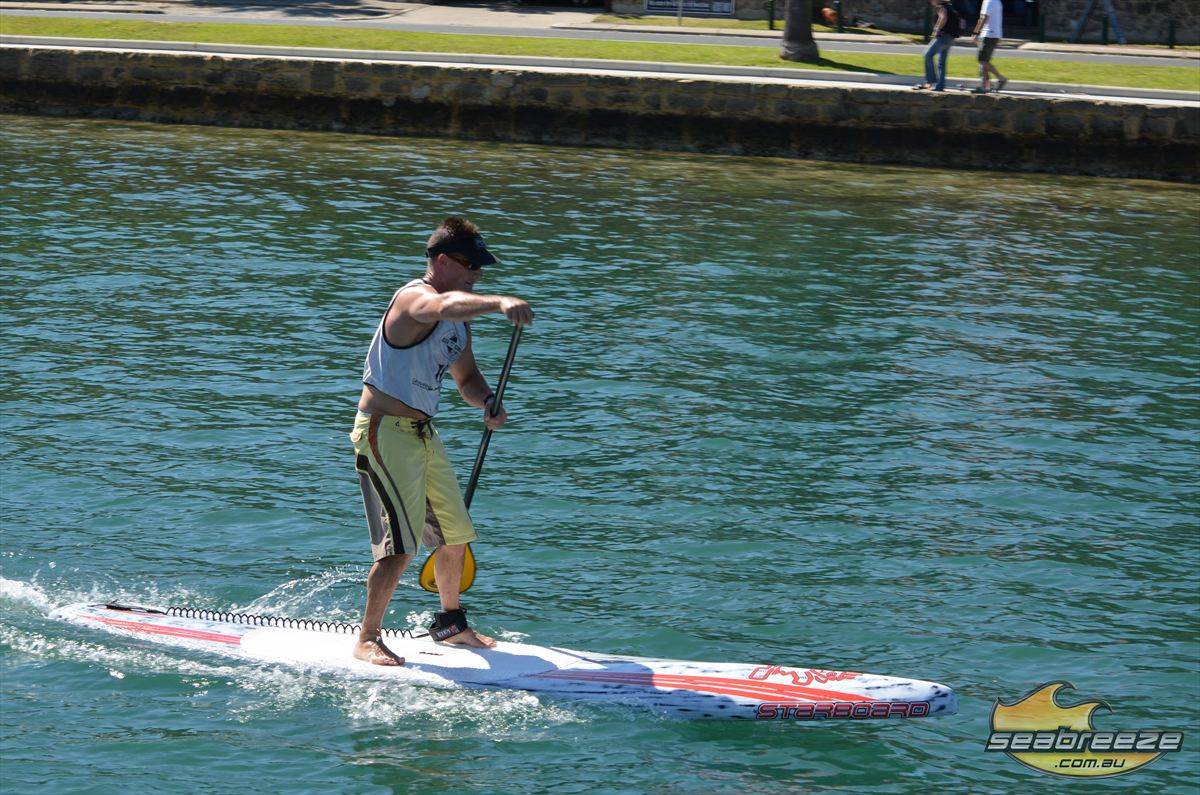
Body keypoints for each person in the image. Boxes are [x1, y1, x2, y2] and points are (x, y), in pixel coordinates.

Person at [349, 216, 533, 666]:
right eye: (471, 265)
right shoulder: (415, 298)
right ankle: (367, 637)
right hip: (382, 433)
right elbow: (445, 304)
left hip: (423, 435)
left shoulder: (458, 324)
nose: (479, 274)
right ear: (443, 261)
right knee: (403, 546)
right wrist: (499, 303)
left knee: (456, 534)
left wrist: (487, 401)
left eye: (483, 267)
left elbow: (467, 378)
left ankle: (451, 625)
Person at [914, 0, 961, 92]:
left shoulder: (941, 7)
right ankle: (940, 86)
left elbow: (943, 18)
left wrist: (936, 30)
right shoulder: (949, 6)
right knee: (941, 63)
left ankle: (930, 81)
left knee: (927, 55)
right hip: (951, 38)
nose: (930, 2)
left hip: (943, 37)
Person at [972, 0, 1008, 93]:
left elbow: (983, 18)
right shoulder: (997, 1)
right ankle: (985, 87)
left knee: (982, 60)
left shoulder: (989, 1)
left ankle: (1001, 78)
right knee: (984, 61)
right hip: (993, 34)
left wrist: (975, 32)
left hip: (989, 34)